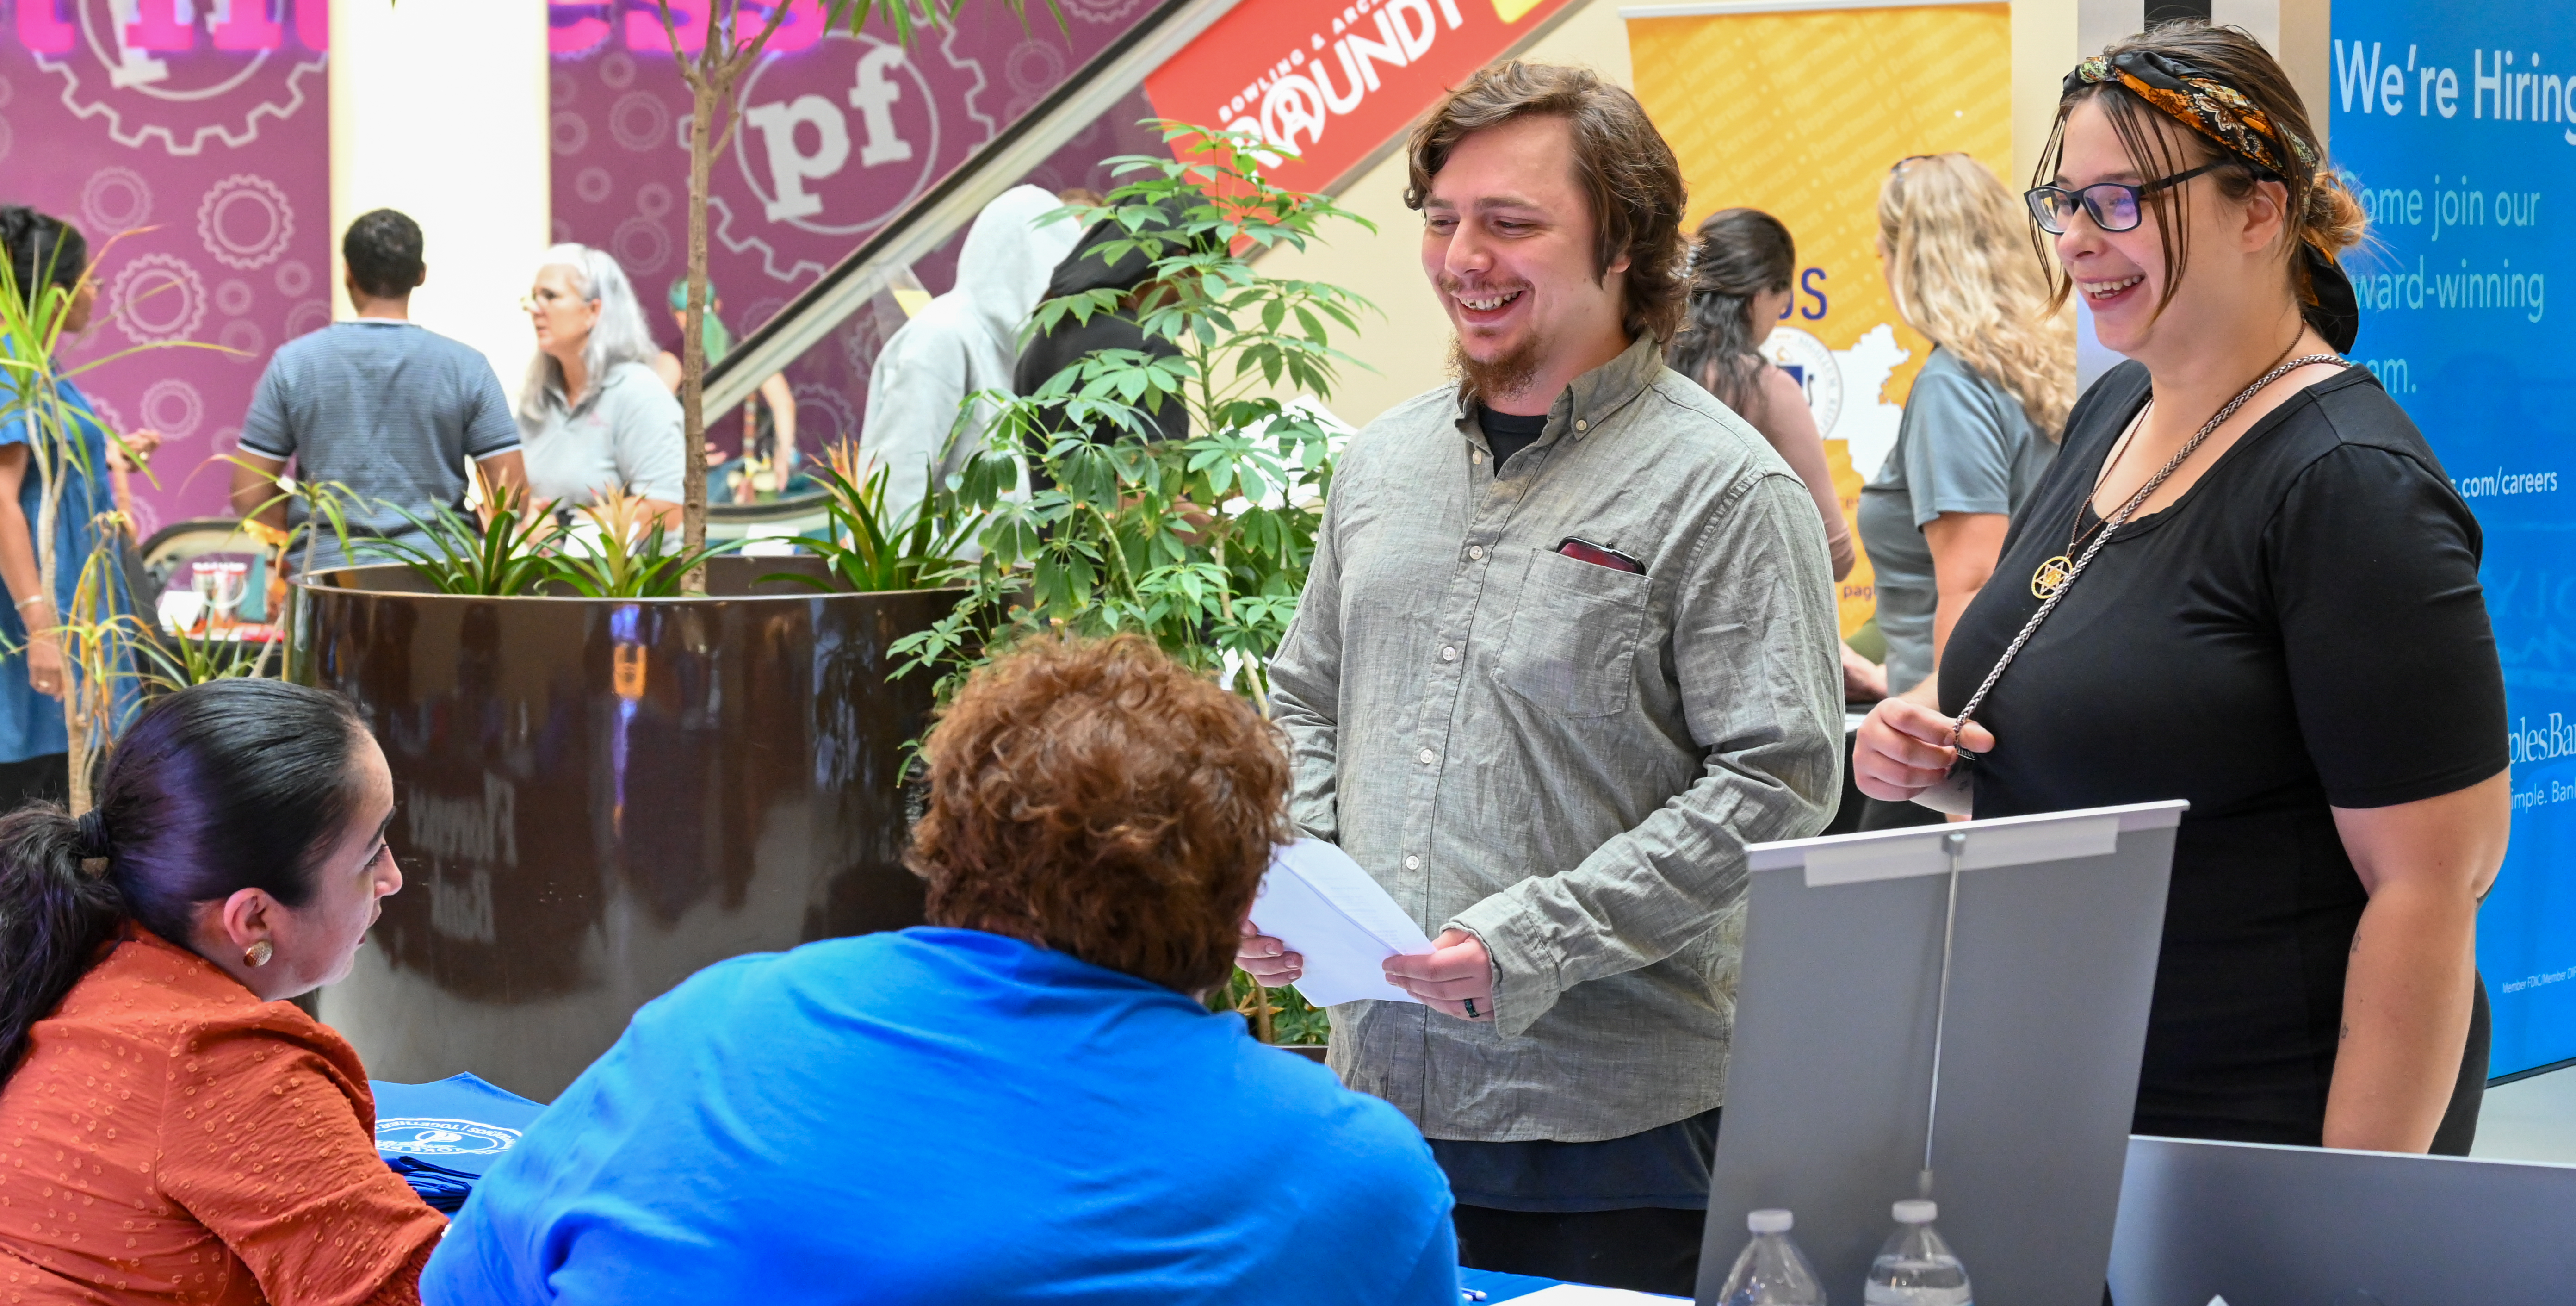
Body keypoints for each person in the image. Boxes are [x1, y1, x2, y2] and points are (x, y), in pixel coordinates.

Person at [1855, 21, 2507, 1155]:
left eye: (2117, 203)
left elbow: (2427, 898)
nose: (2075, 241)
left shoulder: (2345, 486)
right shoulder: (2121, 410)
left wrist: (2336, 1219)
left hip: (2255, 1125)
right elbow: (2129, 750)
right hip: (2072, 1090)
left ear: (2259, 210)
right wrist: (1934, 760)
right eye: (2061, 202)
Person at [1245, 62, 1844, 1295]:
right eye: (1443, 218)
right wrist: (1293, 877)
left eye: (1510, 222)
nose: (1464, 254)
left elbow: (1778, 780)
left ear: (1622, 242)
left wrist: (1530, 937)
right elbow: (1307, 693)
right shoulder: (1384, 465)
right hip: (1377, 1113)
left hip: (1614, 1139)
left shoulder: (1724, 489)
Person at [425, 634, 1457, 1305]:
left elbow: (463, 1286)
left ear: (942, 842)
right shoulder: (1354, 1177)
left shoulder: (711, 1027)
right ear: (1240, 906)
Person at [0, 678, 439, 1301]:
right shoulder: (226, 1065)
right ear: (254, 919)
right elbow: (431, 1292)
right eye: (371, 855)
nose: (392, 878)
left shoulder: (72, 959)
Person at [1852, 155, 2074, 829]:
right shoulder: (2049, 370)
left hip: (1942, 743)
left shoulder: (1955, 384)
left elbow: (1973, 584)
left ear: (1905, 259)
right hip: (2012, 712)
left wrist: (1955, 795)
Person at [233, 208, 528, 572]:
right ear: (421, 275)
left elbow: (248, 493)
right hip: (443, 577)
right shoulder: (467, 367)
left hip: (326, 579)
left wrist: (309, 530)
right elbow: (512, 498)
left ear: (347, 273)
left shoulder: (294, 363)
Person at [1667, 207, 1884, 700]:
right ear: (1764, 294)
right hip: (1743, 664)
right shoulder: (1766, 389)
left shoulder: (1644, 376)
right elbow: (1833, 555)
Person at [0, 206, 143, 814]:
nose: (97, 292)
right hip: (40, 626)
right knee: (39, 809)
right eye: (92, 279)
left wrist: (111, 458)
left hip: (77, 615)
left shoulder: (40, 361)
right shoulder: (12, 361)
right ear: (58, 292)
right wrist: (41, 629)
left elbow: (50, 468)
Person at [861, 185, 1081, 525]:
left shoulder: (1019, 355)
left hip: (1002, 575)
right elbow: (896, 492)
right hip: (942, 576)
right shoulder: (941, 337)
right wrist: (915, 577)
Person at [518, 244, 685, 527]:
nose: (535, 309)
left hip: (630, 571)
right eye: (534, 297)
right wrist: (525, 514)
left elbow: (666, 509)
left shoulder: (639, 392)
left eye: (550, 296)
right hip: (548, 568)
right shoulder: (538, 397)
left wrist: (566, 525)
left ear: (593, 311)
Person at [649, 278, 798, 500]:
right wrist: (782, 458)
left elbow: (651, 417)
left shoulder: (672, 360)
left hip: (700, 478)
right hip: (750, 476)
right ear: (718, 305)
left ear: (678, 316)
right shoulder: (748, 349)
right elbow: (784, 403)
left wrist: (682, 455)